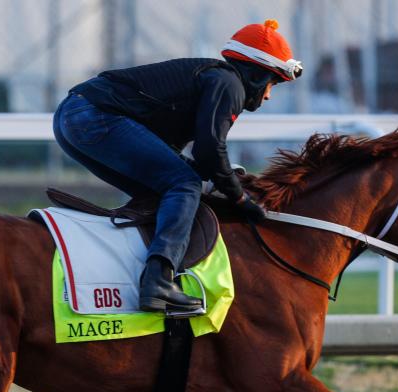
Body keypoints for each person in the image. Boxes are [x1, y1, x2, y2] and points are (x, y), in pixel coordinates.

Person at [53, 19, 302, 316]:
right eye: (272, 82)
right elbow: (210, 149)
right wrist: (239, 198)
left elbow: (187, 156)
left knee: (166, 189)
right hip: (94, 116)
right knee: (184, 185)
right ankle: (157, 281)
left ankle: (132, 273)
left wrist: (216, 179)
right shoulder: (229, 84)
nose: (269, 94)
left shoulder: (215, 78)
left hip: (72, 117)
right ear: (256, 74)